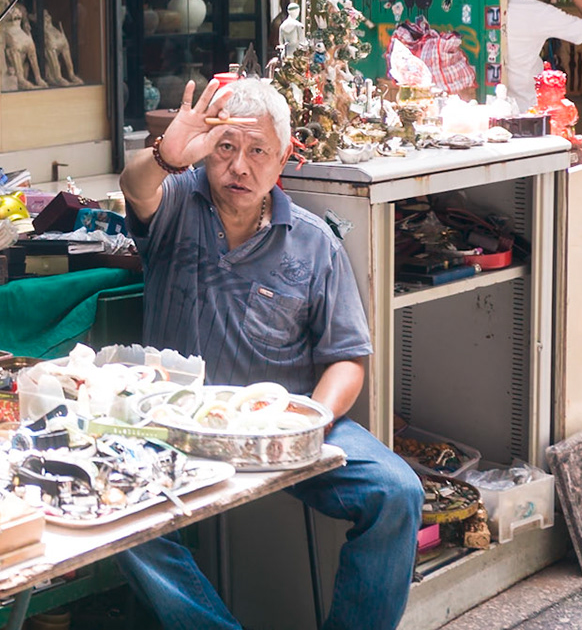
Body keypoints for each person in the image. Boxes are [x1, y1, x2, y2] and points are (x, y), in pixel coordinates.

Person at [116, 77, 422, 630]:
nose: (239, 166)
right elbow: (135, 187)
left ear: (282, 160)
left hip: (281, 428)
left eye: (257, 152)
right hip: (174, 426)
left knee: (396, 493)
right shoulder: (177, 203)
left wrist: (314, 420)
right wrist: (165, 155)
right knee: (115, 507)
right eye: (225, 148)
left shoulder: (312, 242)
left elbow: (347, 359)